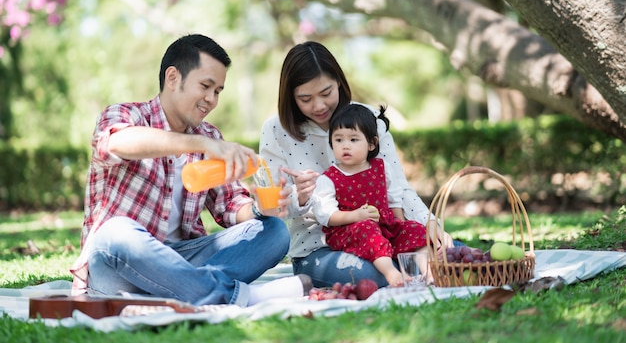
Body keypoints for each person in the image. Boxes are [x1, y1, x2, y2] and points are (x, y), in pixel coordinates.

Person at [70, 34, 311, 307]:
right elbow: (118, 141)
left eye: (218, 91)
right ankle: (236, 296)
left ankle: (183, 292)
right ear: (173, 78)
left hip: (182, 260)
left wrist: (260, 209)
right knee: (115, 232)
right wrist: (198, 144)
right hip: (119, 265)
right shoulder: (125, 115)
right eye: (206, 86)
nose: (211, 99)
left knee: (275, 232)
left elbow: (230, 204)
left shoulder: (210, 136)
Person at [259, 41, 454, 288]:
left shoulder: (368, 119)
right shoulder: (275, 131)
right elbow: (275, 210)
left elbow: (398, 188)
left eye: (327, 93)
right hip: (320, 249)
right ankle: (412, 269)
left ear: (339, 82)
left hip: (386, 235)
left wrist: (431, 224)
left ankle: (420, 266)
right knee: (372, 275)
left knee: (449, 250)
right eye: (305, 98)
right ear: (290, 97)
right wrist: (299, 197)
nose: (319, 106)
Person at [312, 104, 432, 286]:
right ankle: (391, 272)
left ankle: (429, 271)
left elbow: (393, 200)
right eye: (338, 140)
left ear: (371, 143)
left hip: (385, 226)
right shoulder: (329, 178)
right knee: (367, 229)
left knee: (414, 229)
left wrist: (401, 224)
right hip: (351, 230)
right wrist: (355, 216)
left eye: (353, 140)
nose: (345, 146)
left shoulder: (381, 168)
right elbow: (326, 215)